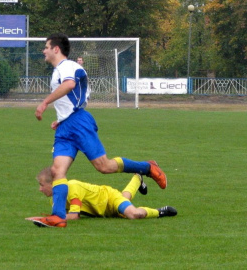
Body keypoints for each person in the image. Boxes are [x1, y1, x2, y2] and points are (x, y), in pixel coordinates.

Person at [29, 33, 167, 228]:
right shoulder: (59, 70)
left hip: (78, 123)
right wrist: (60, 119)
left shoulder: (67, 66)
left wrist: (44, 102)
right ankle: (58, 216)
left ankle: (147, 167)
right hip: (66, 127)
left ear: (56, 49)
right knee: (57, 170)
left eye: (46, 47)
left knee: (104, 166)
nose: (43, 50)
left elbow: (70, 85)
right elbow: (74, 97)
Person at [26, 167, 177, 226]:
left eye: (42, 185)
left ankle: (161, 211)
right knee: (125, 198)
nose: (40, 189)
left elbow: (74, 216)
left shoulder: (72, 188)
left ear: (53, 184)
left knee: (134, 214)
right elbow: (57, 215)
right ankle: (138, 177)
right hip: (105, 210)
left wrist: (42, 220)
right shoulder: (55, 199)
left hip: (109, 197)